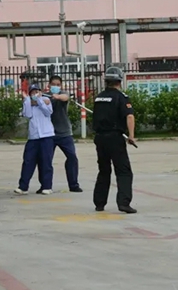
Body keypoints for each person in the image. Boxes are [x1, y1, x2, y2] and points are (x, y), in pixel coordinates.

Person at [91, 66, 137, 214]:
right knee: (123, 171)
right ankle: (124, 203)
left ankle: (99, 203)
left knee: (104, 170)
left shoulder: (99, 97)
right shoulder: (121, 97)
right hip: (115, 138)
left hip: (100, 138)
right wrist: (131, 136)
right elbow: (129, 116)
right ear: (119, 81)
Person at [15, 83, 55, 195]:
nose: (35, 94)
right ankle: (23, 187)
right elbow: (27, 114)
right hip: (33, 136)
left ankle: (47, 186)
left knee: (46, 161)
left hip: (46, 135)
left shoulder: (46, 100)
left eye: (37, 91)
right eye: (32, 92)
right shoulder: (28, 102)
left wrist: (39, 101)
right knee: (28, 161)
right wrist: (27, 100)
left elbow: (48, 112)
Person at [45, 75, 82, 193]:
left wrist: (58, 96)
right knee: (46, 160)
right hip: (49, 134)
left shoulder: (63, 95)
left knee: (72, 157)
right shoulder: (45, 97)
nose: (55, 87)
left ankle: (73, 184)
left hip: (65, 133)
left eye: (58, 85)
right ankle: (46, 186)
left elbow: (66, 97)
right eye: (53, 84)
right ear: (49, 85)